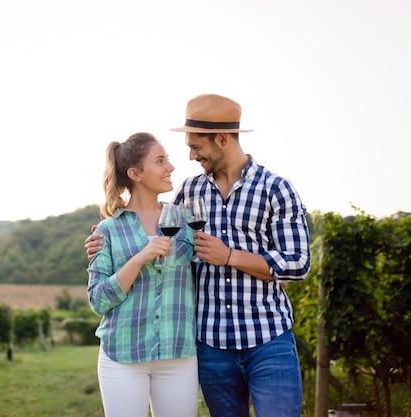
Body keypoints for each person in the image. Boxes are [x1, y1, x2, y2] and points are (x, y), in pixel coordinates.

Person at [85, 94, 311, 417]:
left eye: (196, 147)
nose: (189, 156)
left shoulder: (276, 189)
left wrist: (230, 255)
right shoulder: (190, 194)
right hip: (212, 344)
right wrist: (102, 240)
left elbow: (298, 263)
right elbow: (144, 218)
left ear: (221, 139)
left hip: (267, 338)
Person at [87, 132, 199, 417]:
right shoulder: (107, 231)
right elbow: (98, 301)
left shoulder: (186, 220)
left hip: (178, 352)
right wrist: (138, 259)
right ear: (135, 173)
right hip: (122, 354)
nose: (170, 168)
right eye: (160, 161)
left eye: (168, 160)